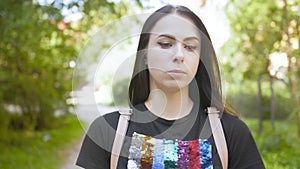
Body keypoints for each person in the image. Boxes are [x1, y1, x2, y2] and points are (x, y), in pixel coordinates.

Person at [76, 5, 265, 169]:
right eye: (165, 44)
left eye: (190, 47)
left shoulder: (230, 132)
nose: (179, 55)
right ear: (145, 55)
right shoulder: (107, 130)